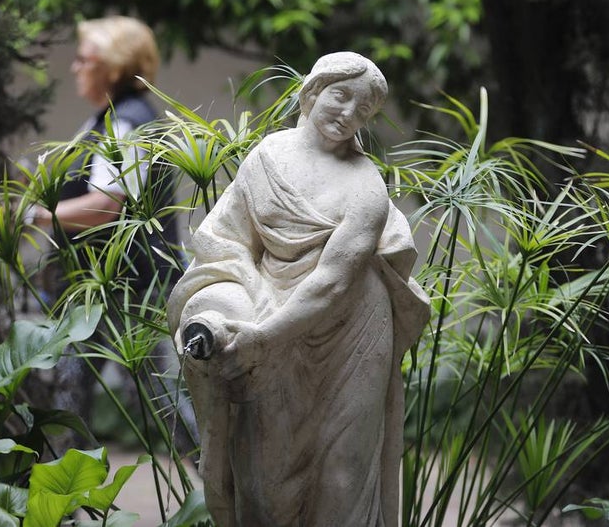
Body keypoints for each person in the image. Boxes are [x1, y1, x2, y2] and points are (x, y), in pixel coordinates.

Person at [168, 52, 431, 527]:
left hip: (354, 331)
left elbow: (332, 282)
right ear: (312, 91)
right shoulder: (267, 158)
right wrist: (234, 304)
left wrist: (263, 337)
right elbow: (226, 242)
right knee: (263, 478)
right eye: (341, 95)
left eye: (364, 108)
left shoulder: (367, 186)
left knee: (343, 474)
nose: (349, 112)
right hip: (268, 311)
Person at [27, 14, 179, 299]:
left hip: (127, 295)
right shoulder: (110, 119)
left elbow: (104, 206)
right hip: (114, 289)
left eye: (83, 60)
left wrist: (35, 216)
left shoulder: (124, 124)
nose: (74, 68)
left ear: (113, 68)